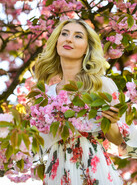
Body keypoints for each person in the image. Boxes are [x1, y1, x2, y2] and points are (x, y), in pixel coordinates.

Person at [33, 19, 136, 185]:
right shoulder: (46, 95)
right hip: (57, 171)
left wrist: (111, 121)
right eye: (64, 34)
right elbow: (37, 144)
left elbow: (117, 140)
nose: (68, 39)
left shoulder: (100, 85)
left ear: (87, 48)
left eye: (78, 36)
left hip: (94, 167)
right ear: (57, 41)